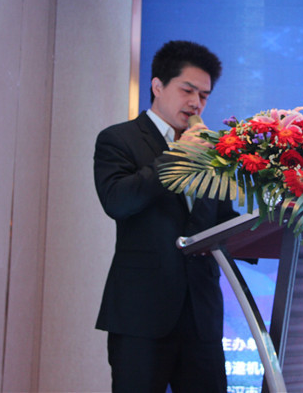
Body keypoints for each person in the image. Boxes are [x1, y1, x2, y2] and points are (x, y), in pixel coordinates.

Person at [93, 40, 239, 392]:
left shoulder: (213, 151)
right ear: (157, 86)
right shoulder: (119, 139)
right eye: (187, 90)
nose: (196, 103)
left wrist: (271, 224)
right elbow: (117, 201)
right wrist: (179, 155)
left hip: (201, 317)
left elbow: (220, 221)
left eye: (204, 95)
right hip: (142, 317)